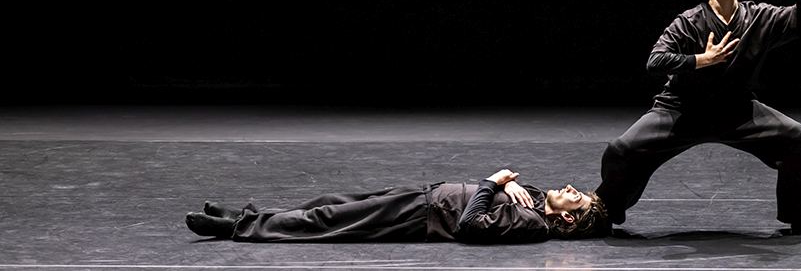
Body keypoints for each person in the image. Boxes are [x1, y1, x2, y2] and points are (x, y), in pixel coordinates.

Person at [596, 0, 801, 235]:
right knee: (620, 150)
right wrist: (701, 60)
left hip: (736, 111)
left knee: (798, 138)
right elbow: (655, 61)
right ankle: (604, 213)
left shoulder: (759, 16)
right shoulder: (688, 22)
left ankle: (799, 217)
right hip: (681, 111)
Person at [185, 168, 607, 243]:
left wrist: (492, 182)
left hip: (423, 215)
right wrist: (511, 184)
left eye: (576, 196)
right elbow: (510, 188)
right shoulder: (534, 200)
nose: (571, 187)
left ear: (568, 218)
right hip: (423, 195)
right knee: (328, 203)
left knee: (328, 220)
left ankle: (239, 228)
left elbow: (471, 224)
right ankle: (248, 216)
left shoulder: (533, 225)